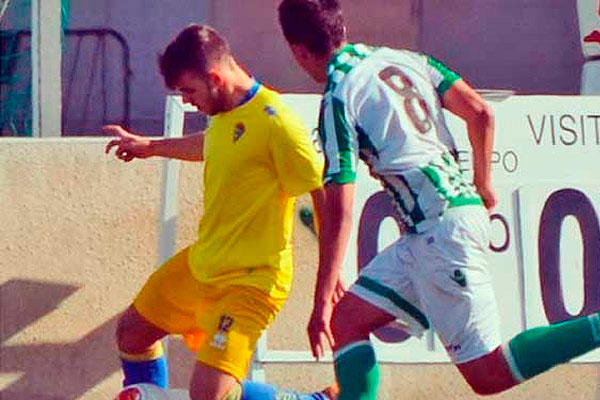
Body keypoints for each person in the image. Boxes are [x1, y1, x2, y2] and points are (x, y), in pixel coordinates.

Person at [277, 1, 600, 399]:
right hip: (437, 227)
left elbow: (341, 209)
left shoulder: (339, 96)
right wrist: (483, 185)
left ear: (299, 51)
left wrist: (321, 296)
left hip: (439, 233)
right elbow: (480, 112)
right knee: (348, 322)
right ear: (340, 26)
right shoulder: (406, 59)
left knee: (488, 375)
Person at [105, 23, 339, 400]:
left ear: (215, 77)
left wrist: (327, 284)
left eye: (188, 90)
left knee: (209, 395)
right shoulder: (226, 112)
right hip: (205, 264)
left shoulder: (278, 123)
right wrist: (151, 146)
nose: (185, 100)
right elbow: (213, 144)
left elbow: (324, 193)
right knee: (132, 332)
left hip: (251, 281)